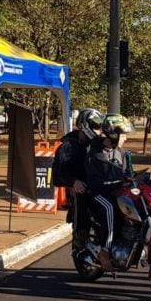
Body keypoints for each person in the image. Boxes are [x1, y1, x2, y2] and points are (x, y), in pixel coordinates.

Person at [85, 113, 134, 271]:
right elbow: (97, 181)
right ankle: (105, 251)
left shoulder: (121, 153)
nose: (125, 138)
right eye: (123, 135)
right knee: (110, 208)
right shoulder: (96, 153)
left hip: (116, 193)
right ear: (113, 134)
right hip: (98, 194)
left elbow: (126, 174)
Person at [52, 108, 103, 247]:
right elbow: (59, 174)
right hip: (78, 186)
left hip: (96, 184)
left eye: (99, 128)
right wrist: (73, 181)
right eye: (95, 128)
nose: (98, 132)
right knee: (80, 194)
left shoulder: (97, 145)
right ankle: (80, 234)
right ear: (84, 126)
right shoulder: (69, 145)